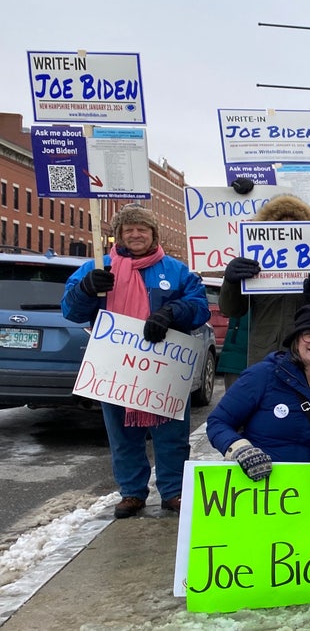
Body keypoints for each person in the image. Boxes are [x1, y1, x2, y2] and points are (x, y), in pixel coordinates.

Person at [61, 204, 210, 518]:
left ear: (153, 233)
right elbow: (71, 311)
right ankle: (131, 493)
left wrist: (172, 312)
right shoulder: (98, 268)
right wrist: (87, 289)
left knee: (171, 435)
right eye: (128, 230)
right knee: (122, 434)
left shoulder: (175, 270)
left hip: (164, 368)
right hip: (116, 367)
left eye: (142, 228)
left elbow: (199, 307)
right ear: (118, 235)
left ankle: (174, 492)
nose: (135, 234)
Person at [207, 304, 310, 478]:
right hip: (256, 484)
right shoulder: (261, 375)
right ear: (296, 340)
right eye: (309, 334)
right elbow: (218, 422)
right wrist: (240, 449)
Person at [218, 194, 310, 366]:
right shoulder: (256, 261)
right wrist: (231, 283)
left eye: (294, 226)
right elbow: (231, 310)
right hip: (265, 360)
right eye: (280, 226)